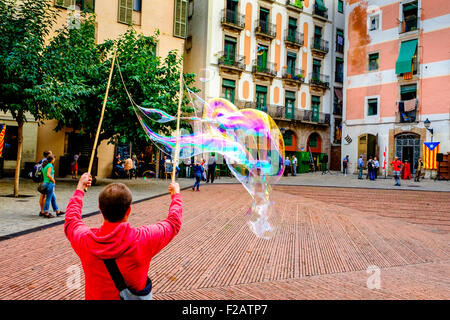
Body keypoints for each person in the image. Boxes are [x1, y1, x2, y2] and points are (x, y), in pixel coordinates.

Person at [64, 173, 182, 300]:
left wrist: (80, 188)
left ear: (100, 209)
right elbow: (173, 222)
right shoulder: (143, 239)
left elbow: (71, 220)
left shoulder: (85, 240)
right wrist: (176, 195)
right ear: (129, 210)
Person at [38, 150, 52, 217]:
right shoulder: (46, 161)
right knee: (43, 196)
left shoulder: (43, 160)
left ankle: (42, 211)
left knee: (43, 196)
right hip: (45, 180)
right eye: (51, 153)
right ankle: (42, 211)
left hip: (42, 180)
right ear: (48, 155)